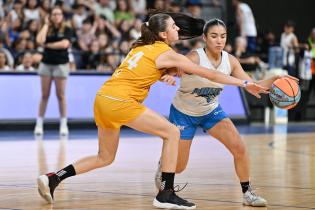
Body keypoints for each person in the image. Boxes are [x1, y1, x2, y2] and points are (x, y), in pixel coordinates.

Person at [37, 13, 268, 210]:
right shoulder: (166, 52)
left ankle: (54, 178)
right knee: (171, 133)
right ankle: (165, 193)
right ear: (164, 34)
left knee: (104, 157)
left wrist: (170, 73)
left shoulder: (142, 47)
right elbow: (208, 73)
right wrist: (245, 84)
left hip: (103, 98)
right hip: (120, 101)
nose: (178, 28)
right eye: (173, 27)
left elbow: (166, 68)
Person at [154, 18, 298, 207]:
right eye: (214, 36)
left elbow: (251, 85)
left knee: (239, 147)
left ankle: (248, 193)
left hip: (211, 111)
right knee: (179, 167)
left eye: (223, 36)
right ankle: (163, 165)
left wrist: (275, 79)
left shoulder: (230, 61)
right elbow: (173, 69)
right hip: (183, 113)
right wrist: (168, 75)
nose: (219, 40)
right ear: (205, 38)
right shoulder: (194, 57)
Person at [34, 7, 72, 136]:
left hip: (61, 64)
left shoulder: (67, 28)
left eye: (59, 14)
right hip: (46, 64)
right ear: (50, 16)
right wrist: (45, 24)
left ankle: (63, 124)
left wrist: (48, 45)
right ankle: (39, 124)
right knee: (44, 95)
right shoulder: (47, 27)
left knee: (60, 95)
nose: (57, 16)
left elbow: (64, 44)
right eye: (54, 14)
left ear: (62, 16)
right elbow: (39, 40)